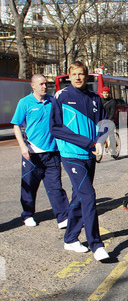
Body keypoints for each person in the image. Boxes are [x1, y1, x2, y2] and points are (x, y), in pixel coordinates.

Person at [50, 61, 109, 261]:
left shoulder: (95, 98)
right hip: (71, 155)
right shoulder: (62, 97)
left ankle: (70, 238)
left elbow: (105, 123)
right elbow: (56, 128)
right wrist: (87, 142)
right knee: (89, 196)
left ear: (87, 76)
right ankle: (96, 244)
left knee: (79, 198)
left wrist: (100, 140)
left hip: (90, 155)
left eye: (81, 74)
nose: (77, 77)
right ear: (69, 75)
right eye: (74, 74)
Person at [11, 74, 69, 228]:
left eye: (46, 83)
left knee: (55, 186)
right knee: (29, 185)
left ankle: (63, 217)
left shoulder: (53, 101)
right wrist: (23, 146)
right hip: (32, 154)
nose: (44, 86)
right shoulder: (25, 103)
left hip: (53, 153)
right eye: (41, 84)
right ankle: (28, 214)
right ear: (33, 86)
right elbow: (16, 125)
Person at [101, 86, 117, 157]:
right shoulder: (100, 101)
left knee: (111, 135)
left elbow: (112, 112)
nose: (105, 94)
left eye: (107, 93)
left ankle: (113, 150)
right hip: (102, 120)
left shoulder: (112, 101)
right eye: (104, 93)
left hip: (110, 120)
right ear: (102, 93)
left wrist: (109, 120)